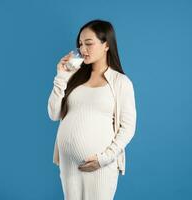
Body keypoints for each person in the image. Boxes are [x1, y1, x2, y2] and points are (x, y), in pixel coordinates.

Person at [47, 19, 137, 200]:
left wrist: (104, 159)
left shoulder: (120, 82)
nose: (82, 49)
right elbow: (53, 113)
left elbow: (128, 128)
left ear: (106, 45)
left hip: (99, 165)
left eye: (89, 43)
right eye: (80, 44)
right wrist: (61, 77)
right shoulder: (73, 77)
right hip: (68, 164)